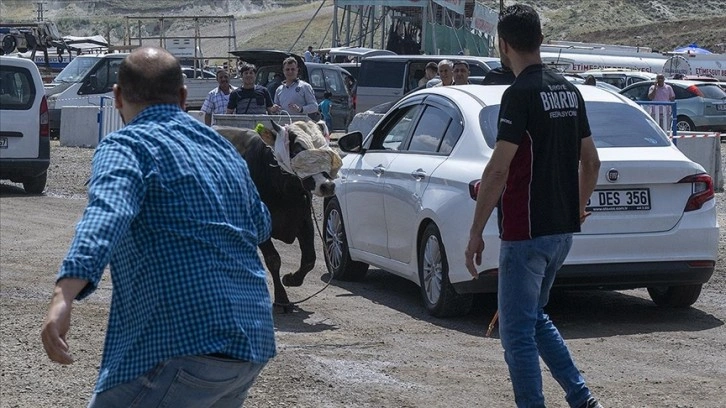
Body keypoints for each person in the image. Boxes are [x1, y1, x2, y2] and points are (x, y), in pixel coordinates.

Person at [40, 46, 276, 407]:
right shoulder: (224, 150)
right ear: (183, 97)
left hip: (179, 338)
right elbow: (260, 224)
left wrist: (63, 296)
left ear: (117, 97)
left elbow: (107, 214)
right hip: (251, 338)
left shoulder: (126, 145)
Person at [464, 5, 602, 408]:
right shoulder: (569, 91)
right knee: (534, 318)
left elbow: (497, 171)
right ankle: (581, 397)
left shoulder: (519, 94)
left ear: (503, 45)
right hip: (561, 231)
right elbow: (591, 163)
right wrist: (575, 208)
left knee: (516, 332)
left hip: (526, 232)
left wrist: (475, 233)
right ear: (540, 40)